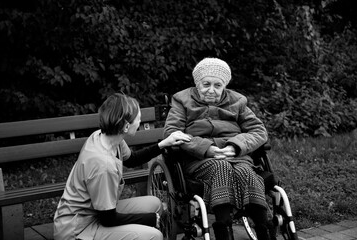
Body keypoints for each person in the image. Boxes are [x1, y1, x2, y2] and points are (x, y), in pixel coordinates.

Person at [164, 58, 276, 240]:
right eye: (206, 84)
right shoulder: (182, 100)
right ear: (197, 83)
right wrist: (207, 148)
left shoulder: (237, 101)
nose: (211, 90)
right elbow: (172, 132)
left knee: (245, 172)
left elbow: (258, 131)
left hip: (237, 157)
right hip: (199, 159)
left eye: (218, 85)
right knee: (220, 167)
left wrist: (235, 146)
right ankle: (224, 230)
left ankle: (264, 230)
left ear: (225, 85)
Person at [53, 93, 191, 240]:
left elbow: (132, 159)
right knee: (154, 236)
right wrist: (148, 219)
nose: (140, 120)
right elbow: (108, 219)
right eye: (138, 118)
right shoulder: (103, 165)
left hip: (93, 212)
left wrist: (164, 143)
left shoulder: (107, 137)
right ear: (126, 126)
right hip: (78, 229)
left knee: (154, 203)